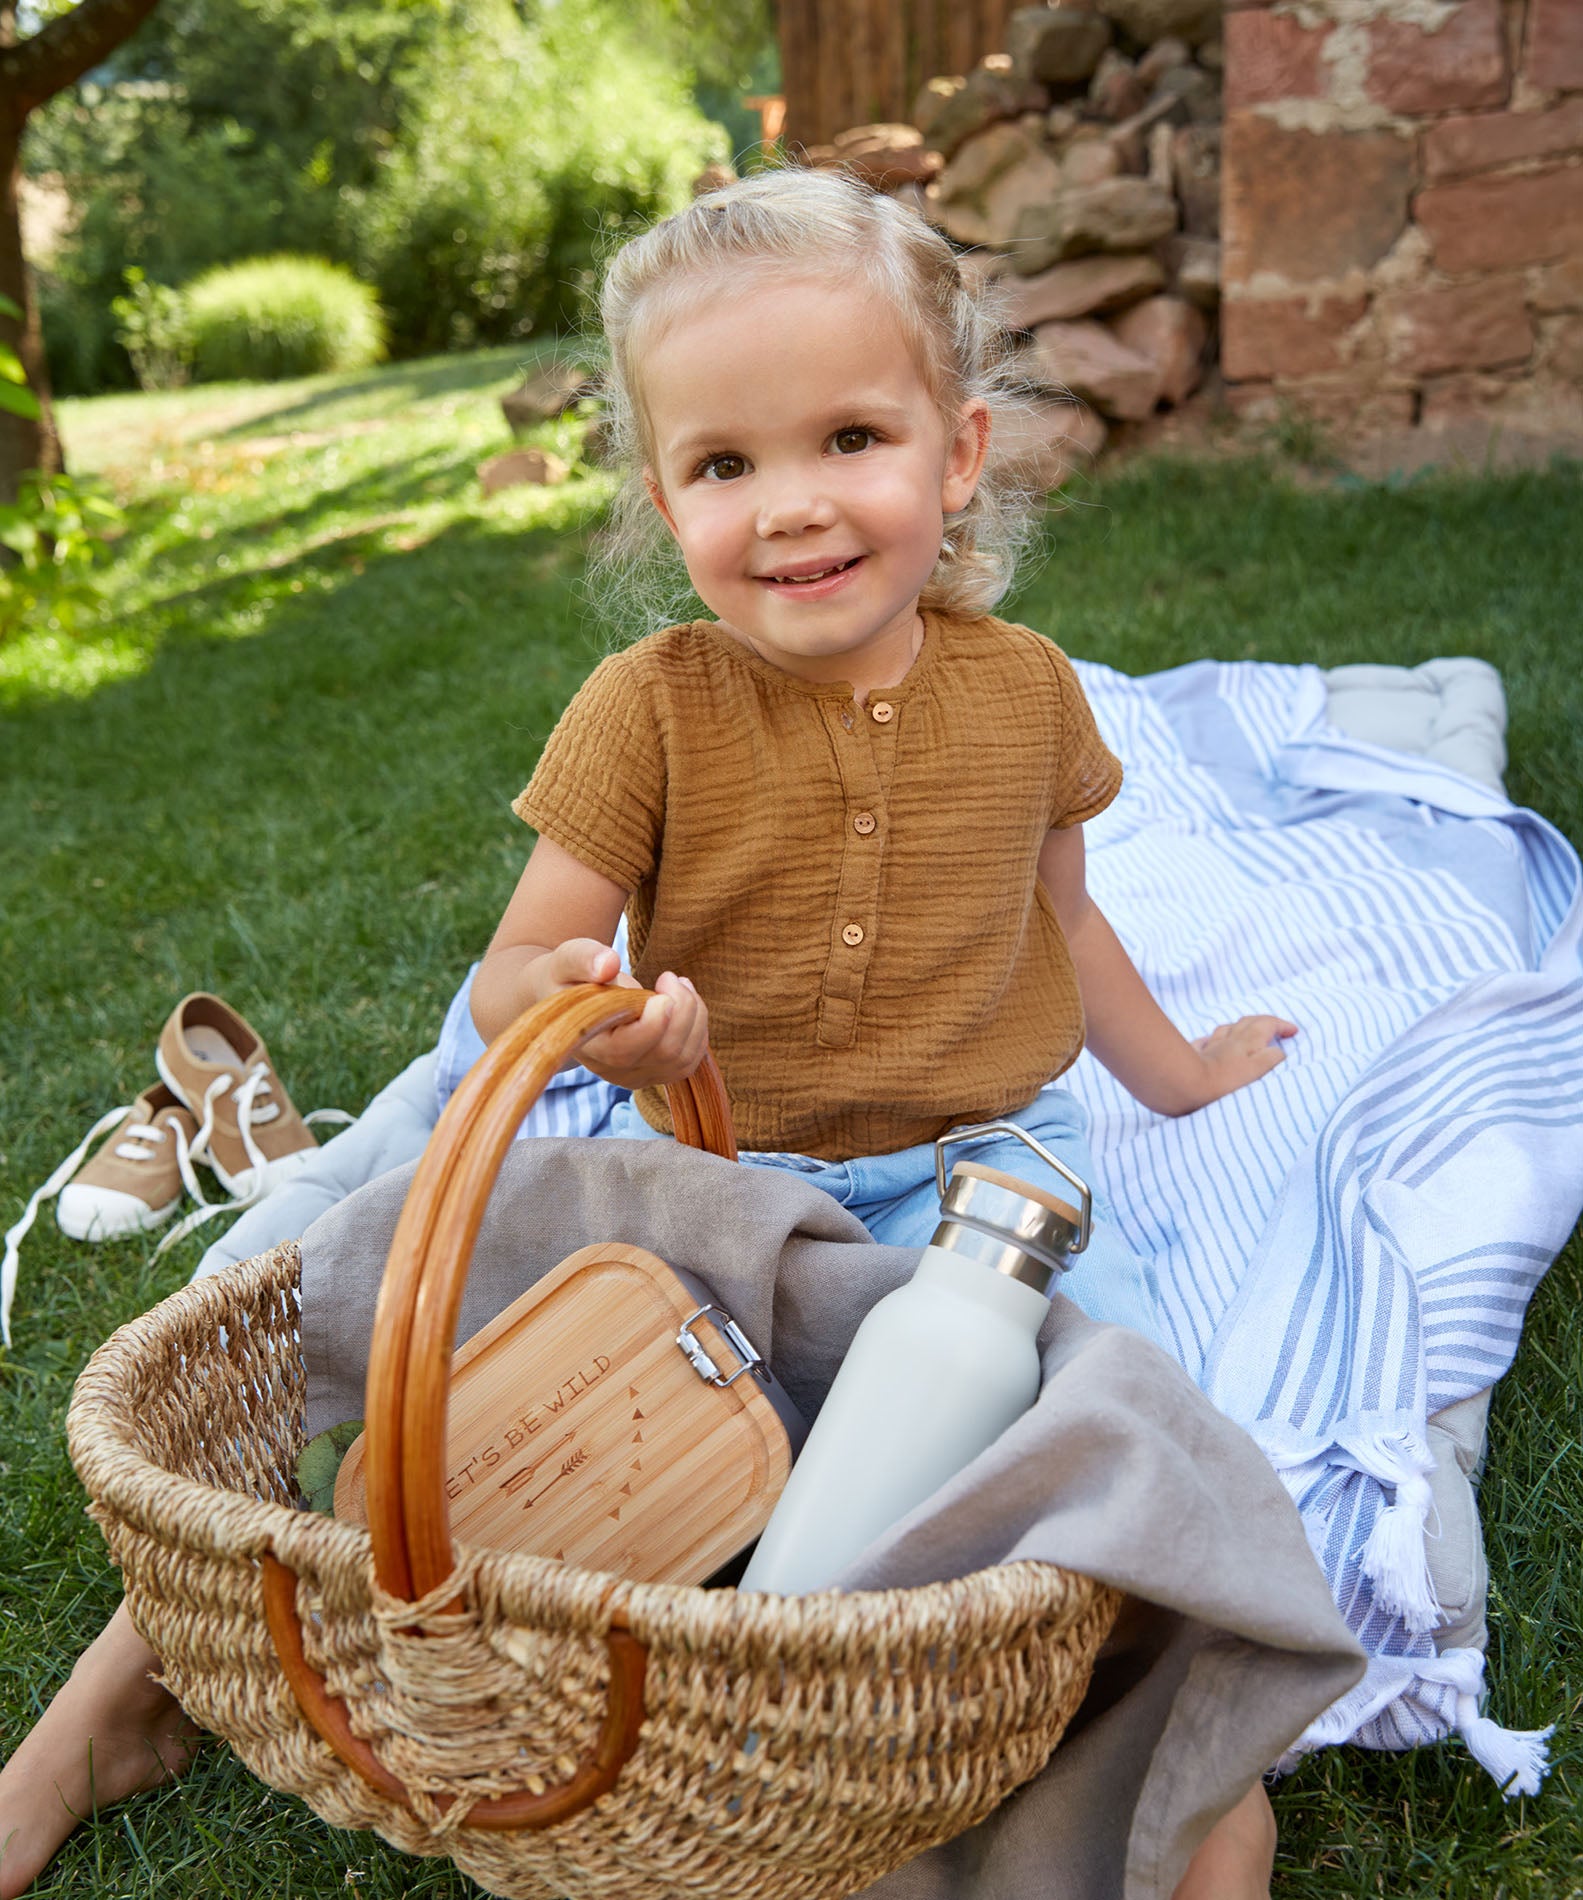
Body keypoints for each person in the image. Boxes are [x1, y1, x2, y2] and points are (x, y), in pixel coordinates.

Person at [1, 169, 1293, 1899]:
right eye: (725, 465)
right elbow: (512, 973)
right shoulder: (653, 709)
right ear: (664, 493)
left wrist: (1187, 1073)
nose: (794, 508)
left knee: (1134, 1435)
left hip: (978, 1201)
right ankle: (122, 1694)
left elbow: (1068, 919)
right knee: (422, 1393)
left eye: (852, 438)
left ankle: (1159, 1775)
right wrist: (591, 1011)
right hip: (707, 1173)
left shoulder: (1032, 694)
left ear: (961, 450)